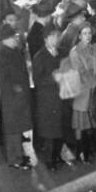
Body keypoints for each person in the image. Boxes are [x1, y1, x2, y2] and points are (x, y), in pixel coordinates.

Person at [0, 24, 33, 170]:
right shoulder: (1, 55)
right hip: (11, 98)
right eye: (14, 37)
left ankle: (19, 155)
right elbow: (4, 80)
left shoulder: (11, 51)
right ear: (6, 39)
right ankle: (15, 159)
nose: (16, 39)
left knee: (17, 129)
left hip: (17, 97)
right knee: (13, 130)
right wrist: (17, 88)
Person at [32, 24, 68, 170]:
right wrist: (53, 78)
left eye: (58, 36)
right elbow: (37, 80)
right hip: (47, 99)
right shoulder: (39, 57)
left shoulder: (63, 53)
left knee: (60, 129)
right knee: (49, 131)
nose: (57, 39)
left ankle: (58, 155)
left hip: (62, 97)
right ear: (46, 39)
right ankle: (49, 160)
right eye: (54, 36)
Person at [69, 21, 96, 162]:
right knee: (81, 124)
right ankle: (81, 151)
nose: (88, 36)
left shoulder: (95, 48)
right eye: (85, 33)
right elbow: (80, 73)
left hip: (93, 90)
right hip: (82, 91)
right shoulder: (75, 52)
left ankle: (90, 150)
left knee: (92, 122)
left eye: (89, 33)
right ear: (79, 35)